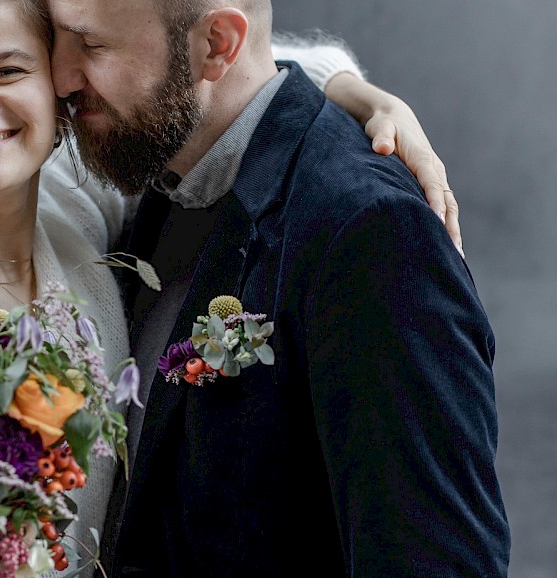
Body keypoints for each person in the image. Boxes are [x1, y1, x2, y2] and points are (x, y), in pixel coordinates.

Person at [0, 0, 466, 576]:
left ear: (51, 97)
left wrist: (355, 93)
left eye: (12, 71)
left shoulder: (82, 212)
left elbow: (207, 73)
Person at [46, 0, 511, 576]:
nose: (60, 77)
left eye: (90, 47)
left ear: (216, 45)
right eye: (56, 37)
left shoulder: (367, 229)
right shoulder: (163, 165)